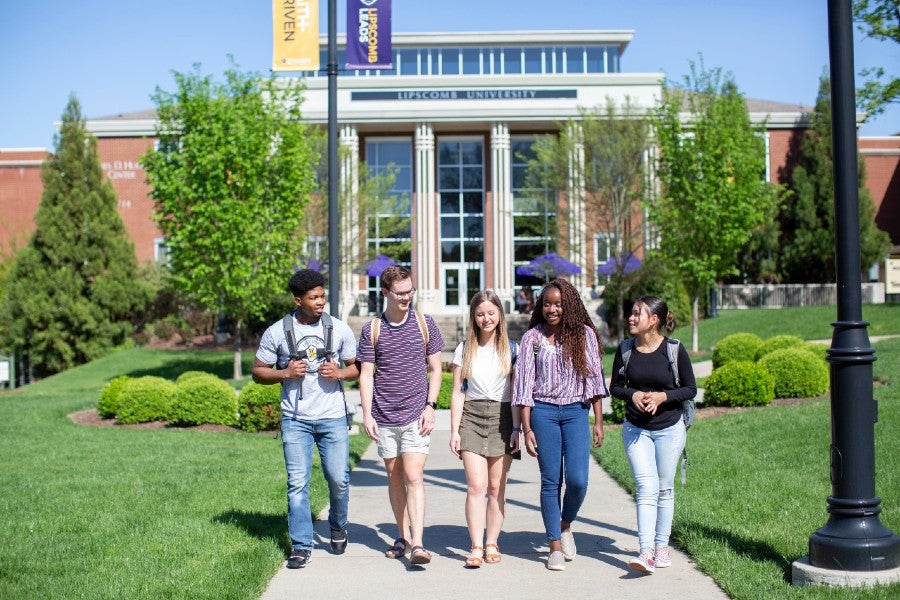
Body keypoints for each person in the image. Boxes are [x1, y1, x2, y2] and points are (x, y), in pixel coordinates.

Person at [251, 269, 360, 569]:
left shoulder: (338, 329)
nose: (321, 302)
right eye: (313, 298)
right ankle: (301, 545)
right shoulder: (277, 331)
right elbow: (258, 370)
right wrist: (284, 373)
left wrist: (339, 373)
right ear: (298, 300)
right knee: (297, 483)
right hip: (295, 419)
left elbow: (358, 367)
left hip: (332, 417)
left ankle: (338, 525)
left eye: (322, 296)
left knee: (338, 479)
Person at [512, 278, 608, 571]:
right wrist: (527, 428)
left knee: (578, 480)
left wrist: (598, 421)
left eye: (557, 304)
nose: (551, 309)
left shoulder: (585, 335)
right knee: (551, 480)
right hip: (543, 413)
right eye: (546, 304)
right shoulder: (532, 339)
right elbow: (524, 386)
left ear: (569, 305)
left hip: (576, 412)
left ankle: (565, 524)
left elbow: (593, 380)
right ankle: (554, 544)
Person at [357, 265, 445, 566]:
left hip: (416, 414)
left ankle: (419, 543)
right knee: (394, 478)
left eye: (410, 291)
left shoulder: (425, 324)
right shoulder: (372, 329)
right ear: (385, 293)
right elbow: (366, 374)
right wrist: (367, 414)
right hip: (384, 415)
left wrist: (430, 406)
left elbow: (436, 370)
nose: (407, 297)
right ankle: (403, 535)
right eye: (400, 293)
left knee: (413, 475)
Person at [609, 296, 696, 574]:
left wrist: (662, 396)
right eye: (631, 313)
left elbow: (690, 389)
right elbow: (616, 387)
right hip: (636, 429)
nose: (631, 318)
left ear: (654, 320)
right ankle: (645, 552)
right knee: (646, 488)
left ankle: (661, 547)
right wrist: (633, 394)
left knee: (664, 487)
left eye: (637, 314)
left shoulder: (674, 349)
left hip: (670, 428)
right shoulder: (625, 350)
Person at [449, 290, 522, 568]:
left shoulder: (512, 349)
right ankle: (476, 546)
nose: (486, 318)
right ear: (474, 317)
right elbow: (457, 392)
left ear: (500, 315)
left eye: (491, 313)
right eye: (480, 314)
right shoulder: (464, 348)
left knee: (496, 487)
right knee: (476, 486)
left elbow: (516, 392)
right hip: (473, 416)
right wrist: (455, 430)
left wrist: (517, 427)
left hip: (503, 417)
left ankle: (492, 542)